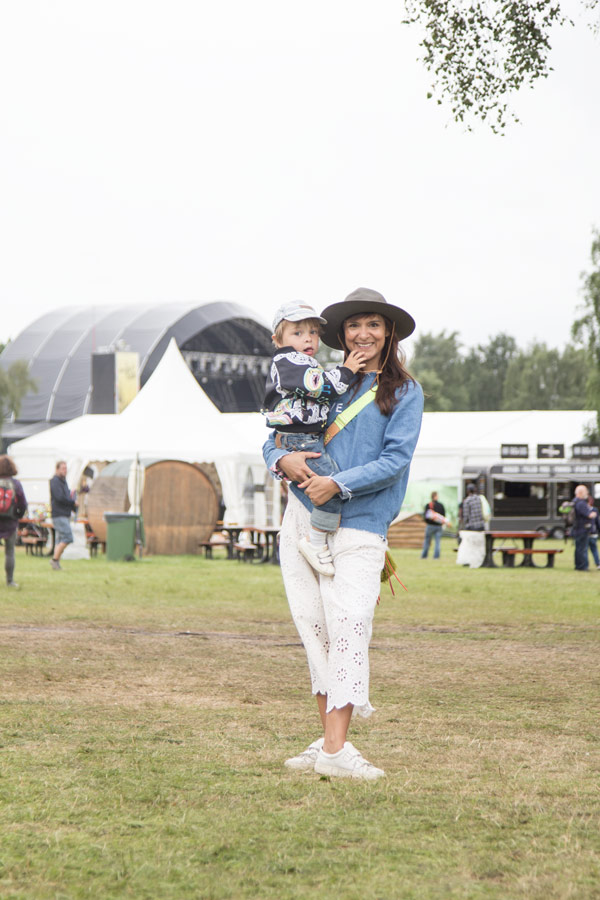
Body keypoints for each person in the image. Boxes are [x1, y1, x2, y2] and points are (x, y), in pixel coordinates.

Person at [263, 287, 423, 780]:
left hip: (360, 525)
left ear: (388, 332)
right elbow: (276, 432)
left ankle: (333, 751)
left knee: (350, 628)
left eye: (373, 324)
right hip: (300, 518)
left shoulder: (405, 391)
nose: (362, 333)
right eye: (354, 325)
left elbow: (395, 461)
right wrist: (279, 460)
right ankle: (333, 741)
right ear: (341, 334)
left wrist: (339, 483)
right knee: (314, 631)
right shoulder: (323, 379)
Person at [263, 301, 367, 576]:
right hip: (299, 441)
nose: (308, 338)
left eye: (313, 332)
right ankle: (315, 541)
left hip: (303, 439)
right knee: (330, 487)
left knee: (328, 483)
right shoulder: (287, 362)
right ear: (278, 340)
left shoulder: (303, 362)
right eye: (298, 333)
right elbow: (321, 386)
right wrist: (347, 369)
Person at [0, 455, 27, 589]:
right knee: (9, 552)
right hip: (10, 522)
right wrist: (18, 516)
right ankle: (10, 581)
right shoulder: (15, 484)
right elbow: (23, 503)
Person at [49, 460, 77, 570]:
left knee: (60, 539)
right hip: (59, 514)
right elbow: (59, 497)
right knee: (67, 537)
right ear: (57, 469)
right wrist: (72, 502)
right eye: (63, 468)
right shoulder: (55, 481)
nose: (65, 471)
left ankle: (56, 563)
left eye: (66, 468)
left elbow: (66, 496)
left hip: (64, 513)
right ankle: (54, 560)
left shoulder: (63, 481)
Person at [571, 484, 596, 571]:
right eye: (586, 491)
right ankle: (583, 566)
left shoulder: (574, 501)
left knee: (578, 548)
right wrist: (593, 514)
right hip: (583, 529)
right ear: (581, 492)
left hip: (576, 528)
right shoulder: (581, 503)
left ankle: (578, 565)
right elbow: (588, 515)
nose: (587, 493)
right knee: (583, 549)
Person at [420, 491, 446, 559]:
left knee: (427, 541)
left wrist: (428, 522)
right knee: (437, 542)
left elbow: (425, 516)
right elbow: (443, 516)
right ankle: (436, 556)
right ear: (436, 496)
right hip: (438, 526)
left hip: (430, 525)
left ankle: (424, 555)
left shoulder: (428, 505)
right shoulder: (441, 505)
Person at [587, 495, 600, 569]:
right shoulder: (594, 510)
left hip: (591, 533)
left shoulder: (594, 510)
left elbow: (597, 522)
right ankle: (597, 563)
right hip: (589, 533)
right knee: (593, 549)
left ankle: (597, 563)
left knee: (593, 549)